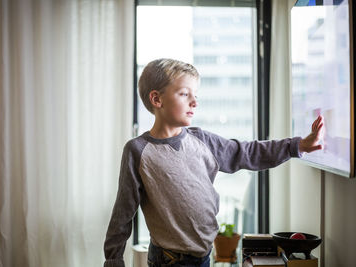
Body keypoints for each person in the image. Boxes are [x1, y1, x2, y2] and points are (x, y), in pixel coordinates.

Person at [103, 58, 324, 267]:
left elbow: (246, 152)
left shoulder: (202, 140)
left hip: (204, 256)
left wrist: (297, 146)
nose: (194, 102)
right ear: (157, 99)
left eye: (195, 94)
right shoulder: (138, 151)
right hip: (169, 260)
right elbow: (122, 214)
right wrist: (114, 262)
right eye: (184, 94)